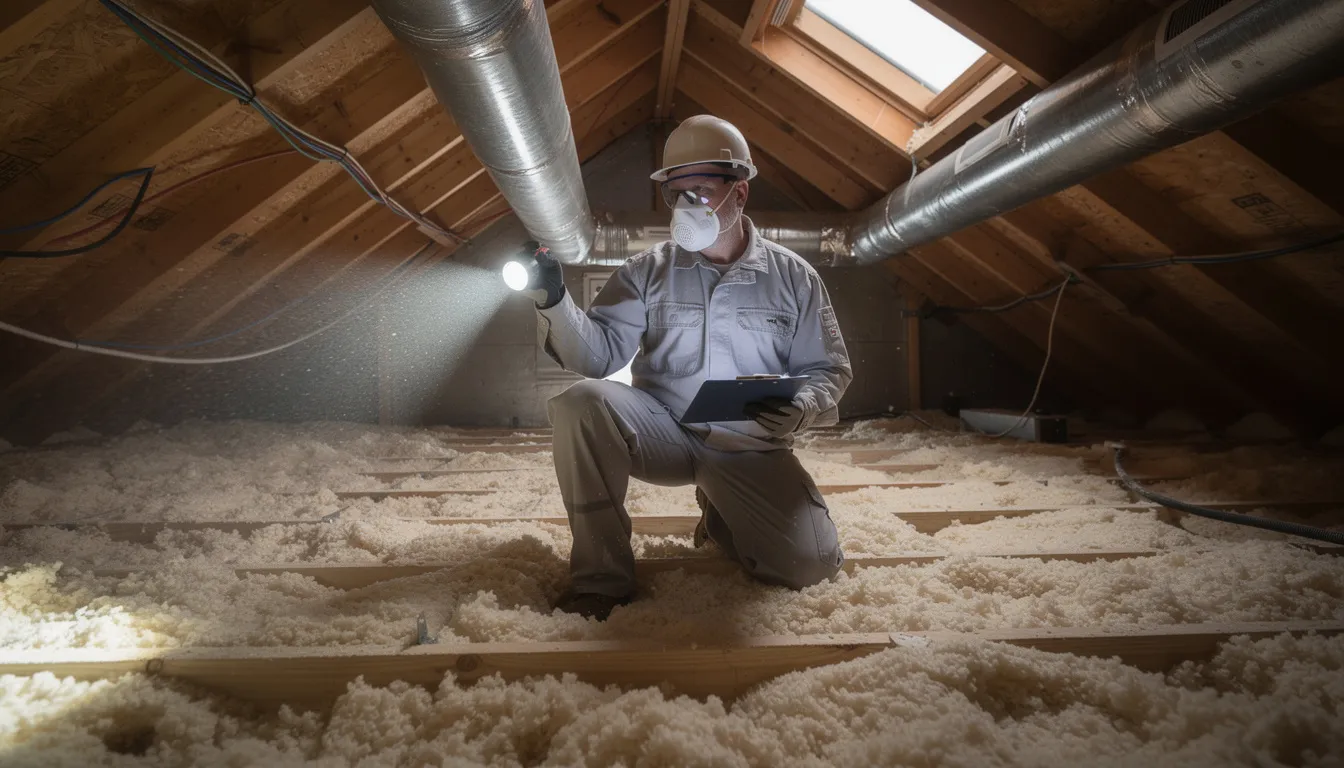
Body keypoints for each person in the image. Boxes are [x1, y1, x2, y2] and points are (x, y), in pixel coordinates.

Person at [525, 114, 853, 620]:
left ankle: (721, 513)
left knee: (809, 569)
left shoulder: (794, 279)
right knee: (581, 405)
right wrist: (553, 299)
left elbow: (828, 369)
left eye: (698, 191)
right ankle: (601, 579)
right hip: (663, 430)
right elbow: (597, 355)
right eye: (674, 194)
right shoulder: (648, 270)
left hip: (745, 445)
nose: (684, 207)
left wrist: (802, 407)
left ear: (738, 195)